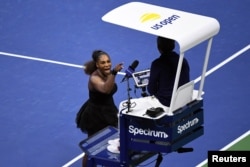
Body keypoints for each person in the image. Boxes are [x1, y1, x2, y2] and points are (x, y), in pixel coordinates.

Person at [76, 50, 123, 167]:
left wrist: (112, 74)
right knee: (92, 149)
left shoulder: (107, 73)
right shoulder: (94, 78)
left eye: (108, 61)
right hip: (95, 117)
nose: (107, 64)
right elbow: (106, 89)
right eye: (103, 63)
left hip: (109, 112)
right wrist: (114, 73)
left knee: (111, 145)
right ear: (97, 65)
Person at [147, 36, 190, 107]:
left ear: (158, 47)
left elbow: (151, 90)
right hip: (183, 98)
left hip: (166, 102)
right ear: (173, 45)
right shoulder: (183, 60)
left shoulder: (157, 64)